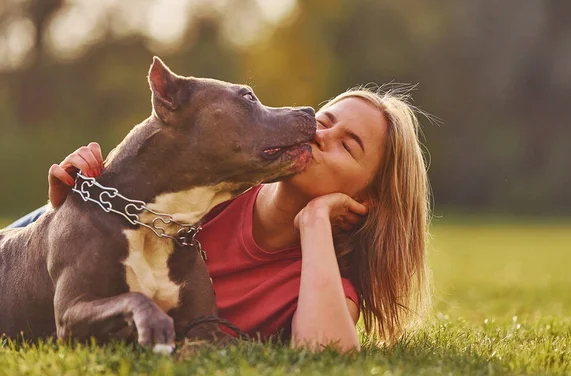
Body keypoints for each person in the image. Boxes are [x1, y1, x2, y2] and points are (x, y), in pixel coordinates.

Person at [8, 87, 432, 352]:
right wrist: (63, 205)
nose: (319, 136)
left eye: (348, 145)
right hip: (42, 251)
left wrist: (316, 220)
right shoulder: (220, 186)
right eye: (324, 121)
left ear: (369, 198)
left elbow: (328, 354)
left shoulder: (321, 283)